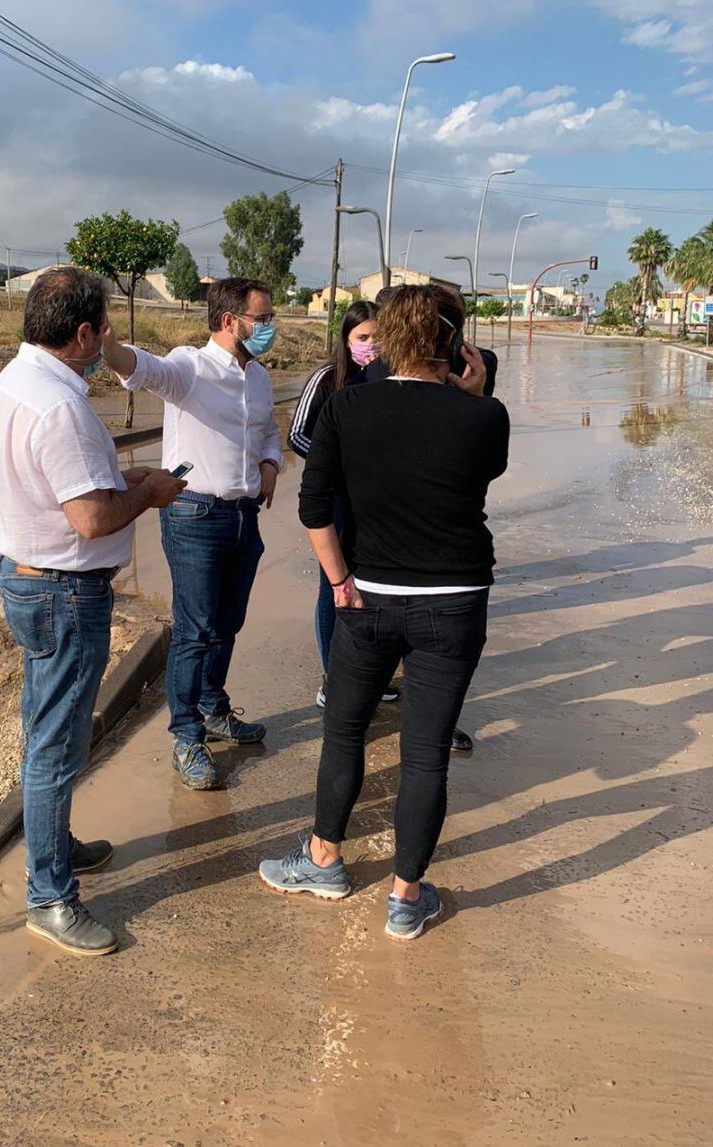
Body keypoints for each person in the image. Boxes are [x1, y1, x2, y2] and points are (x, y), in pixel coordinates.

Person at [259, 285, 509, 941]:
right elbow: (484, 469)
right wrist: (475, 397)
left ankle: (324, 861)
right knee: (426, 753)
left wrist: (339, 581)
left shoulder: (349, 407)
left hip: (365, 598)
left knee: (344, 731)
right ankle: (405, 898)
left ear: (386, 340)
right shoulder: (486, 417)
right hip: (454, 605)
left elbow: (314, 508)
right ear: (453, 345)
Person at [0, 267, 186, 957]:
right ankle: (50, 896)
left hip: (29, 580)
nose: (108, 345)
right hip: (64, 593)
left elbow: (65, 488)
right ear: (84, 332)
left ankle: (55, 843)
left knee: (48, 729)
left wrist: (126, 478)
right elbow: (93, 518)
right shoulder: (61, 407)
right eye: (104, 332)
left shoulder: (15, 383)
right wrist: (150, 493)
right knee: (55, 744)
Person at [102, 278, 282, 792]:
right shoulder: (190, 367)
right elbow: (144, 369)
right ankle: (186, 737)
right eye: (263, 318)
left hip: (244, 514)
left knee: (227, 623)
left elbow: (267, 429)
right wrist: (111, 349)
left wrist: (270, 462)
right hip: (195, 516)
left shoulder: (259, 377)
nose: (270, 327)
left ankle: (213, 707)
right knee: (195, 629)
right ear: (231, 321)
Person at [359, 284, 498, 751]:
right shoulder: (371, 375)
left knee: (425, 732)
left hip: (443, 566)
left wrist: (471, 402)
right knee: (352, 723)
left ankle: (435, 721)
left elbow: (478, 469)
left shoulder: (482, 370)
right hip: (376, 554)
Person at [288, 300, 401, 710]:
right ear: (346, 339)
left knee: (375, 584)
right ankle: (332, 676)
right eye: (362, 337)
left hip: (373, 502)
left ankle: (372, 673)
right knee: (335, 585)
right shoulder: (327, 378)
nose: (371, 345)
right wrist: (334, 465)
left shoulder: (391, 377)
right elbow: (298, 435)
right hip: (334, 499)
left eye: (378, 336)